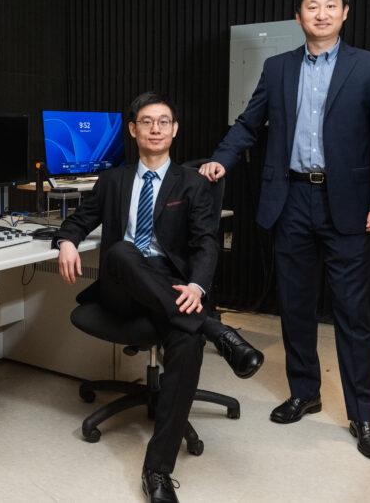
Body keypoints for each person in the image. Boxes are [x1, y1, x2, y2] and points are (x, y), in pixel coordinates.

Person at [199, 0, 370, 461]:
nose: (322, 13)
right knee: (295, 307)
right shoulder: (278, 68)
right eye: (313, 6)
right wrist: (221, 159)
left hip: (349, 204)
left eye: (331, 5)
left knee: (353, 314)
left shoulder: (369, 67)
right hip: (291, 200)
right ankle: (305, 391)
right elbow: (249, 123)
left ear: (345, 13)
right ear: (299, 17)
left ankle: (364, 416)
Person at [55, 91, 263, 503]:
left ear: (175, 130)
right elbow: (79, 220)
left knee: (185, 342)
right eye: (147, 121)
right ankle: (213, 328)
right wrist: (66, 241)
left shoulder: (193, 183)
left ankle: (157, 471)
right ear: (133, 130)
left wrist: (198, 287)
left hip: (173, 287)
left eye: (164, 121)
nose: (155, 128)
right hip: (123, 285)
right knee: (120, 251)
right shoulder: (113, 179)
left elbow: (206, 243)